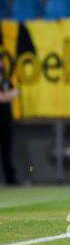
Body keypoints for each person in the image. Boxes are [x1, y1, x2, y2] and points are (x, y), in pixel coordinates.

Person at [0, 55, 19, 185]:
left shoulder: (6, 81)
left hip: (6, 120)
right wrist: (6, 96)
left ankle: (10, 180)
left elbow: (16, 93)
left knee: (7, 151)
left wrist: (4, 96)